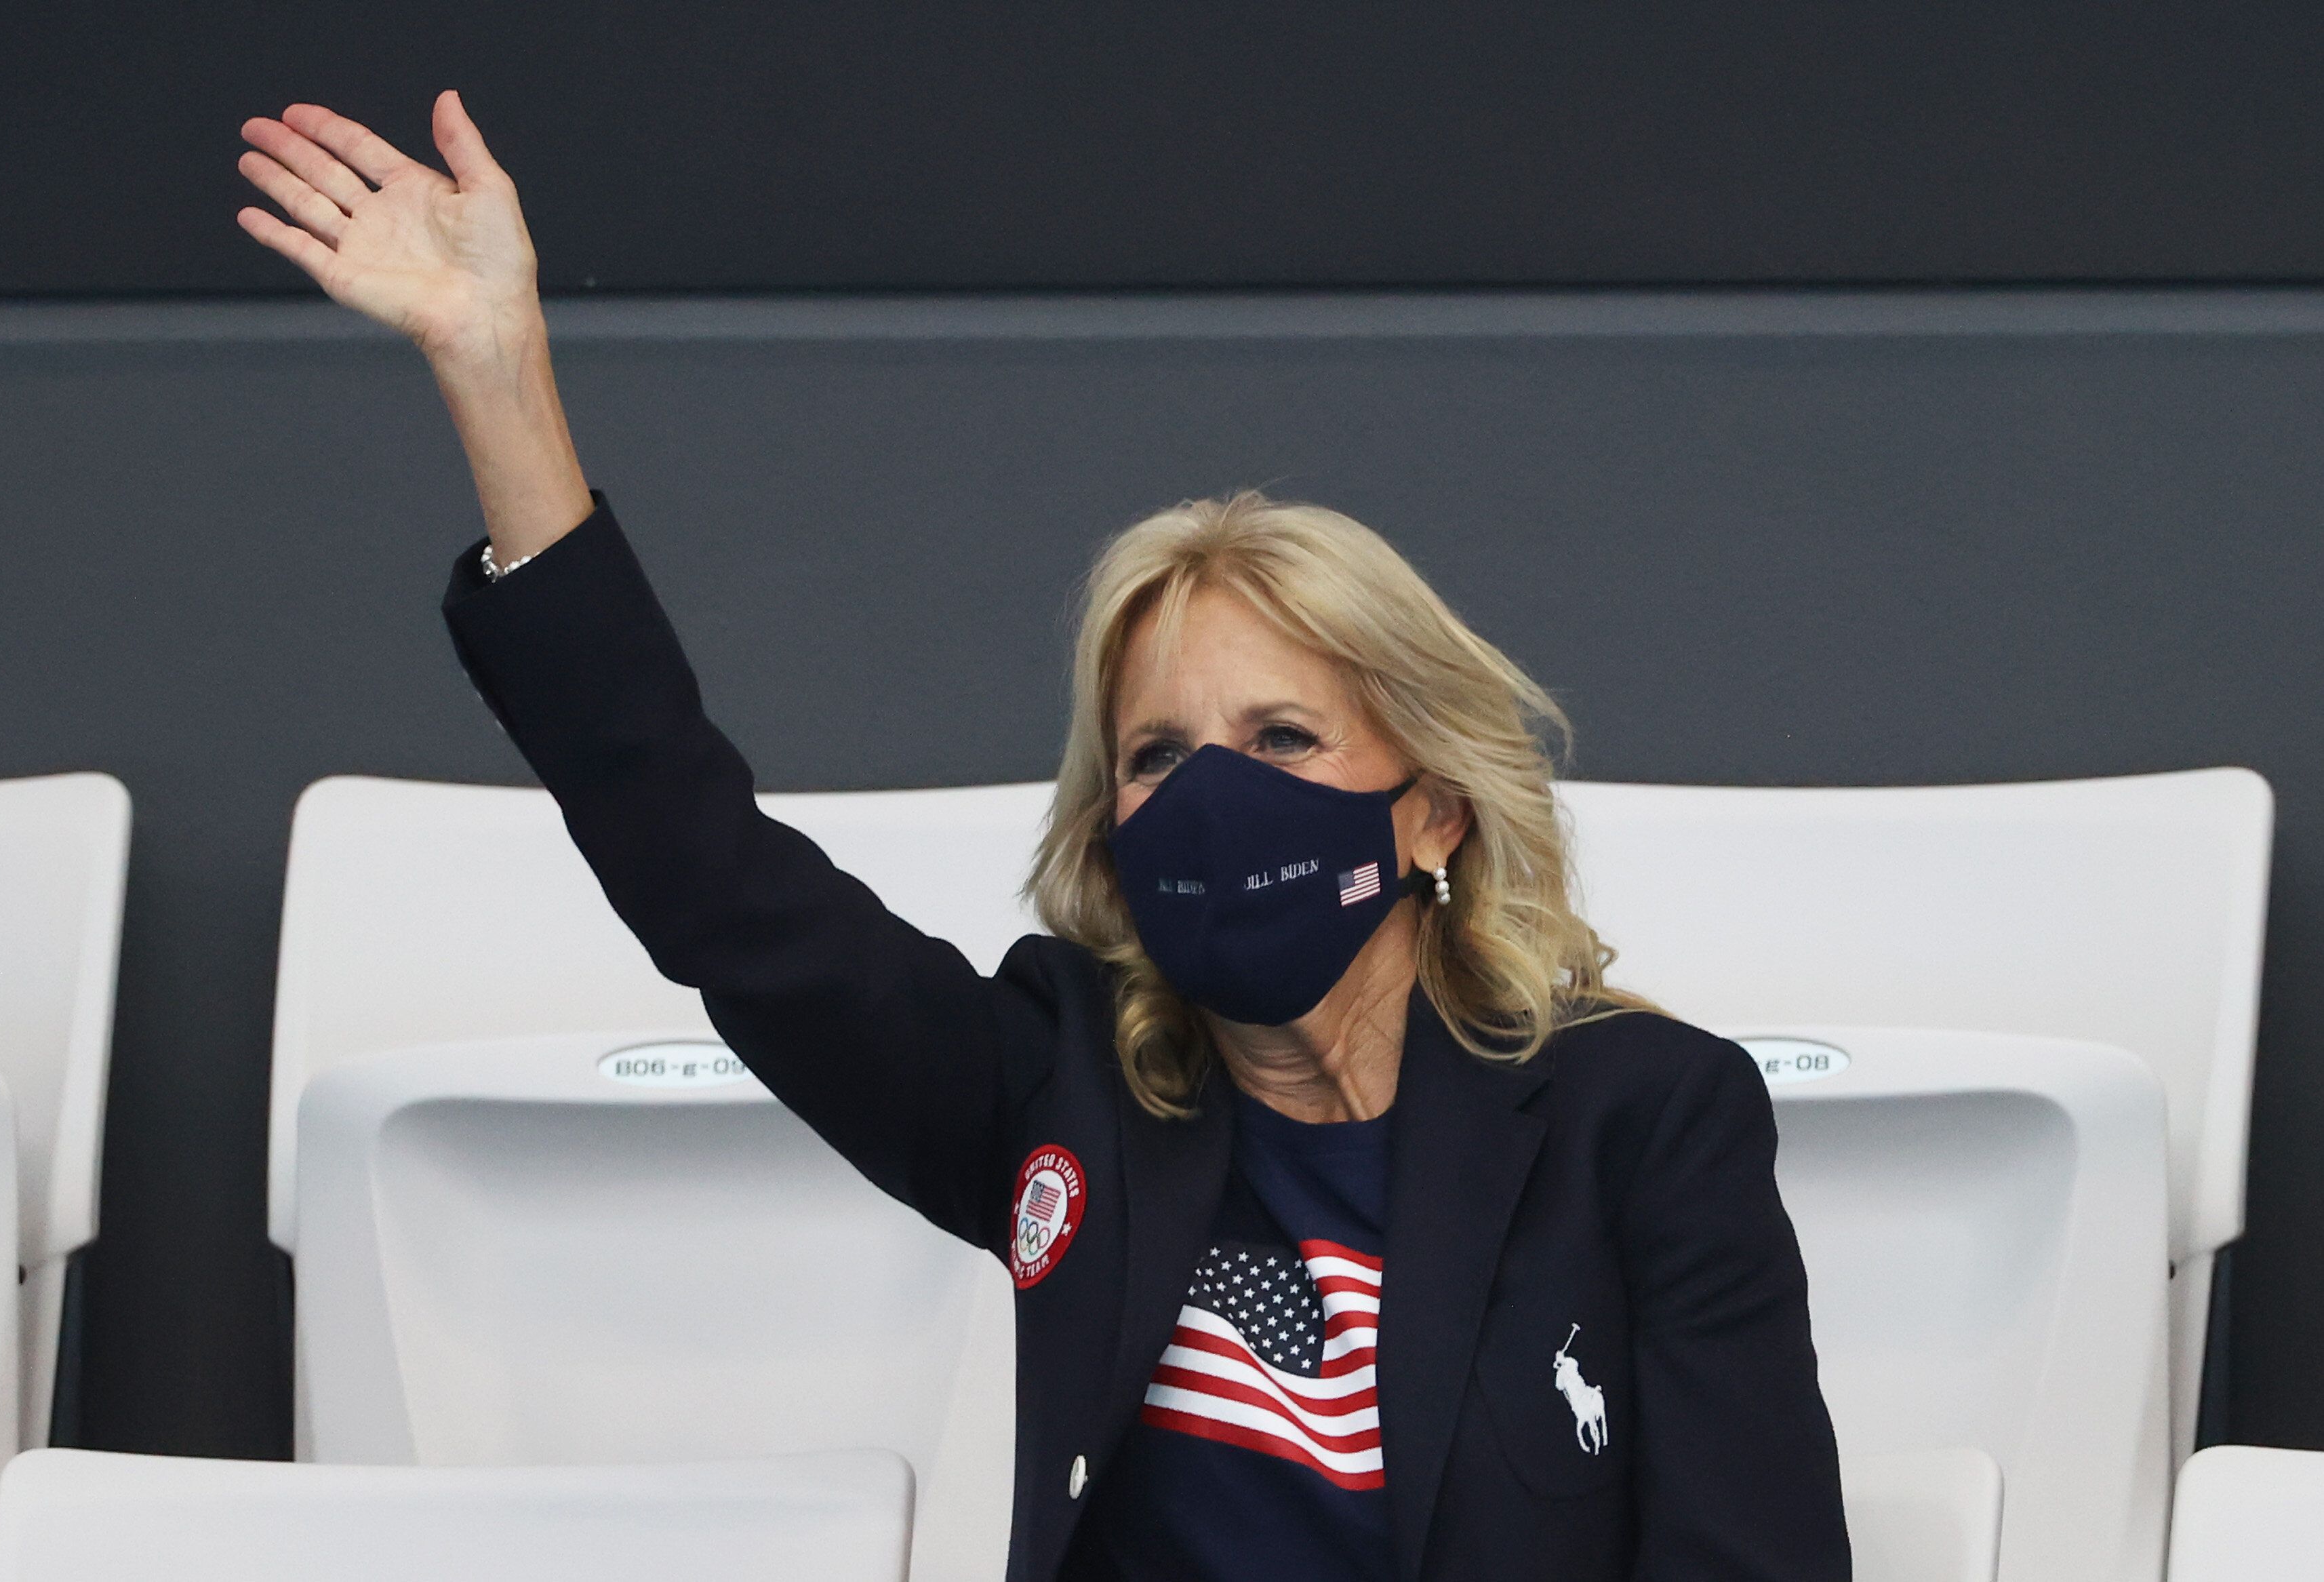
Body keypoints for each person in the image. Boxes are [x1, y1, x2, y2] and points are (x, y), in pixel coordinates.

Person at [236, 92, 1849, 1582]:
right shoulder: (1059, 1086)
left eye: (1281, 740)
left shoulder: (1645, 1123)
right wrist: (496, 368)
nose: (1215, 796)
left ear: (1429, 804)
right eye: (1158, 757)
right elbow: (708, 878)